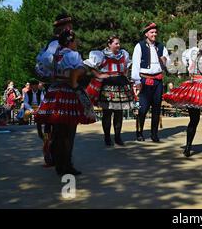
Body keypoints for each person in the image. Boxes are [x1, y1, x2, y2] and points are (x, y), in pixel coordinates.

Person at [35, 29, 96, 176]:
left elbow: (44, 72)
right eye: (75, 41)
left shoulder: (54, 56)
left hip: (54, 93)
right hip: (68, 93)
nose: (77, 43)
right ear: (70, 41)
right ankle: (66, 165)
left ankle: (58, 163)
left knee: (58, 131)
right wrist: (81, 72)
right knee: (68, 132)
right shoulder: (73, 55)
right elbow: (75, 74)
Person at [84, 35, 134, 146]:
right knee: (107, 112)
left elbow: (126, 68)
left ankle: (117, 137)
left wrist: (124, 76)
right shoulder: (101, 55)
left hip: (120, 85)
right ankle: (107, 137)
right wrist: (99, 75)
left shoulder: (123, 54)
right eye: (116, 43)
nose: (118, 45)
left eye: (119, 43)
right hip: (108, 85)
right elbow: (90, 66)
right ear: (109, 44)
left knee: (119, 112)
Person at [131, 23, 170, 142]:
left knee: (157, 108)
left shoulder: (161, 46)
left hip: (157, 80)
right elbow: (136, 64)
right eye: (152, 32)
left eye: (155, 32)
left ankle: (154, 134)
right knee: (143, 108)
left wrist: (165, 61)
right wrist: (136, 81)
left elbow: (167, 63)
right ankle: (139, 132)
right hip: (144, 79)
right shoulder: (140, 46)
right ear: (146, 34)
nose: (154, 34)